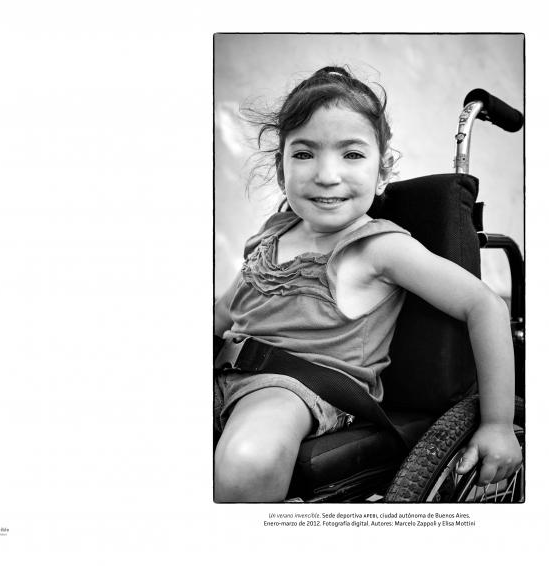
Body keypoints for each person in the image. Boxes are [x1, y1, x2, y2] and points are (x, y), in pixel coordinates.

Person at [214, 66, 521, 502]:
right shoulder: (273, 233)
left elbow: (484, 305)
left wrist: (497, 425)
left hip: (297, 391)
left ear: (382, 172)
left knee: (248, 459)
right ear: (281, 172)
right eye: (304, 154)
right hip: (226, 371)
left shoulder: (378, 248)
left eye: (352, 154)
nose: (326, 174)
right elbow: (223, 313)